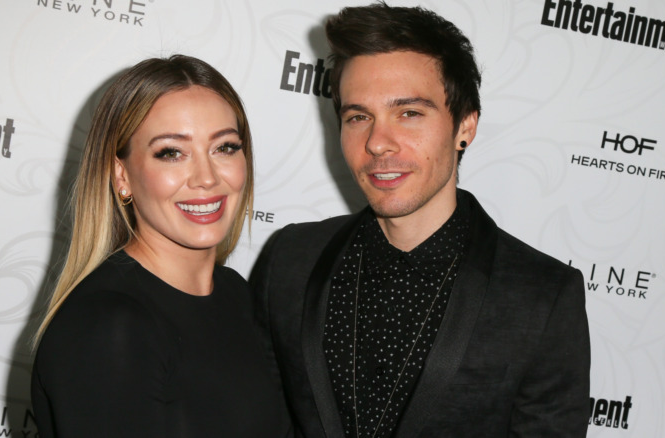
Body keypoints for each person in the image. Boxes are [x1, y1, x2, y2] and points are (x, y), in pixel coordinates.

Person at [251, 3, 590, 437]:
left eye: (409, 113)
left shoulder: (541, 296)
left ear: (465, 126)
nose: (377, 143)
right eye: (358, 116)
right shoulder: (290, 260)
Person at [31, 55, 292, 438]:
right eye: (171, 152)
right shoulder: (108, 326)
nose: (206, 178)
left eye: (225, 147)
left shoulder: (237, 294)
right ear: (122, 175)